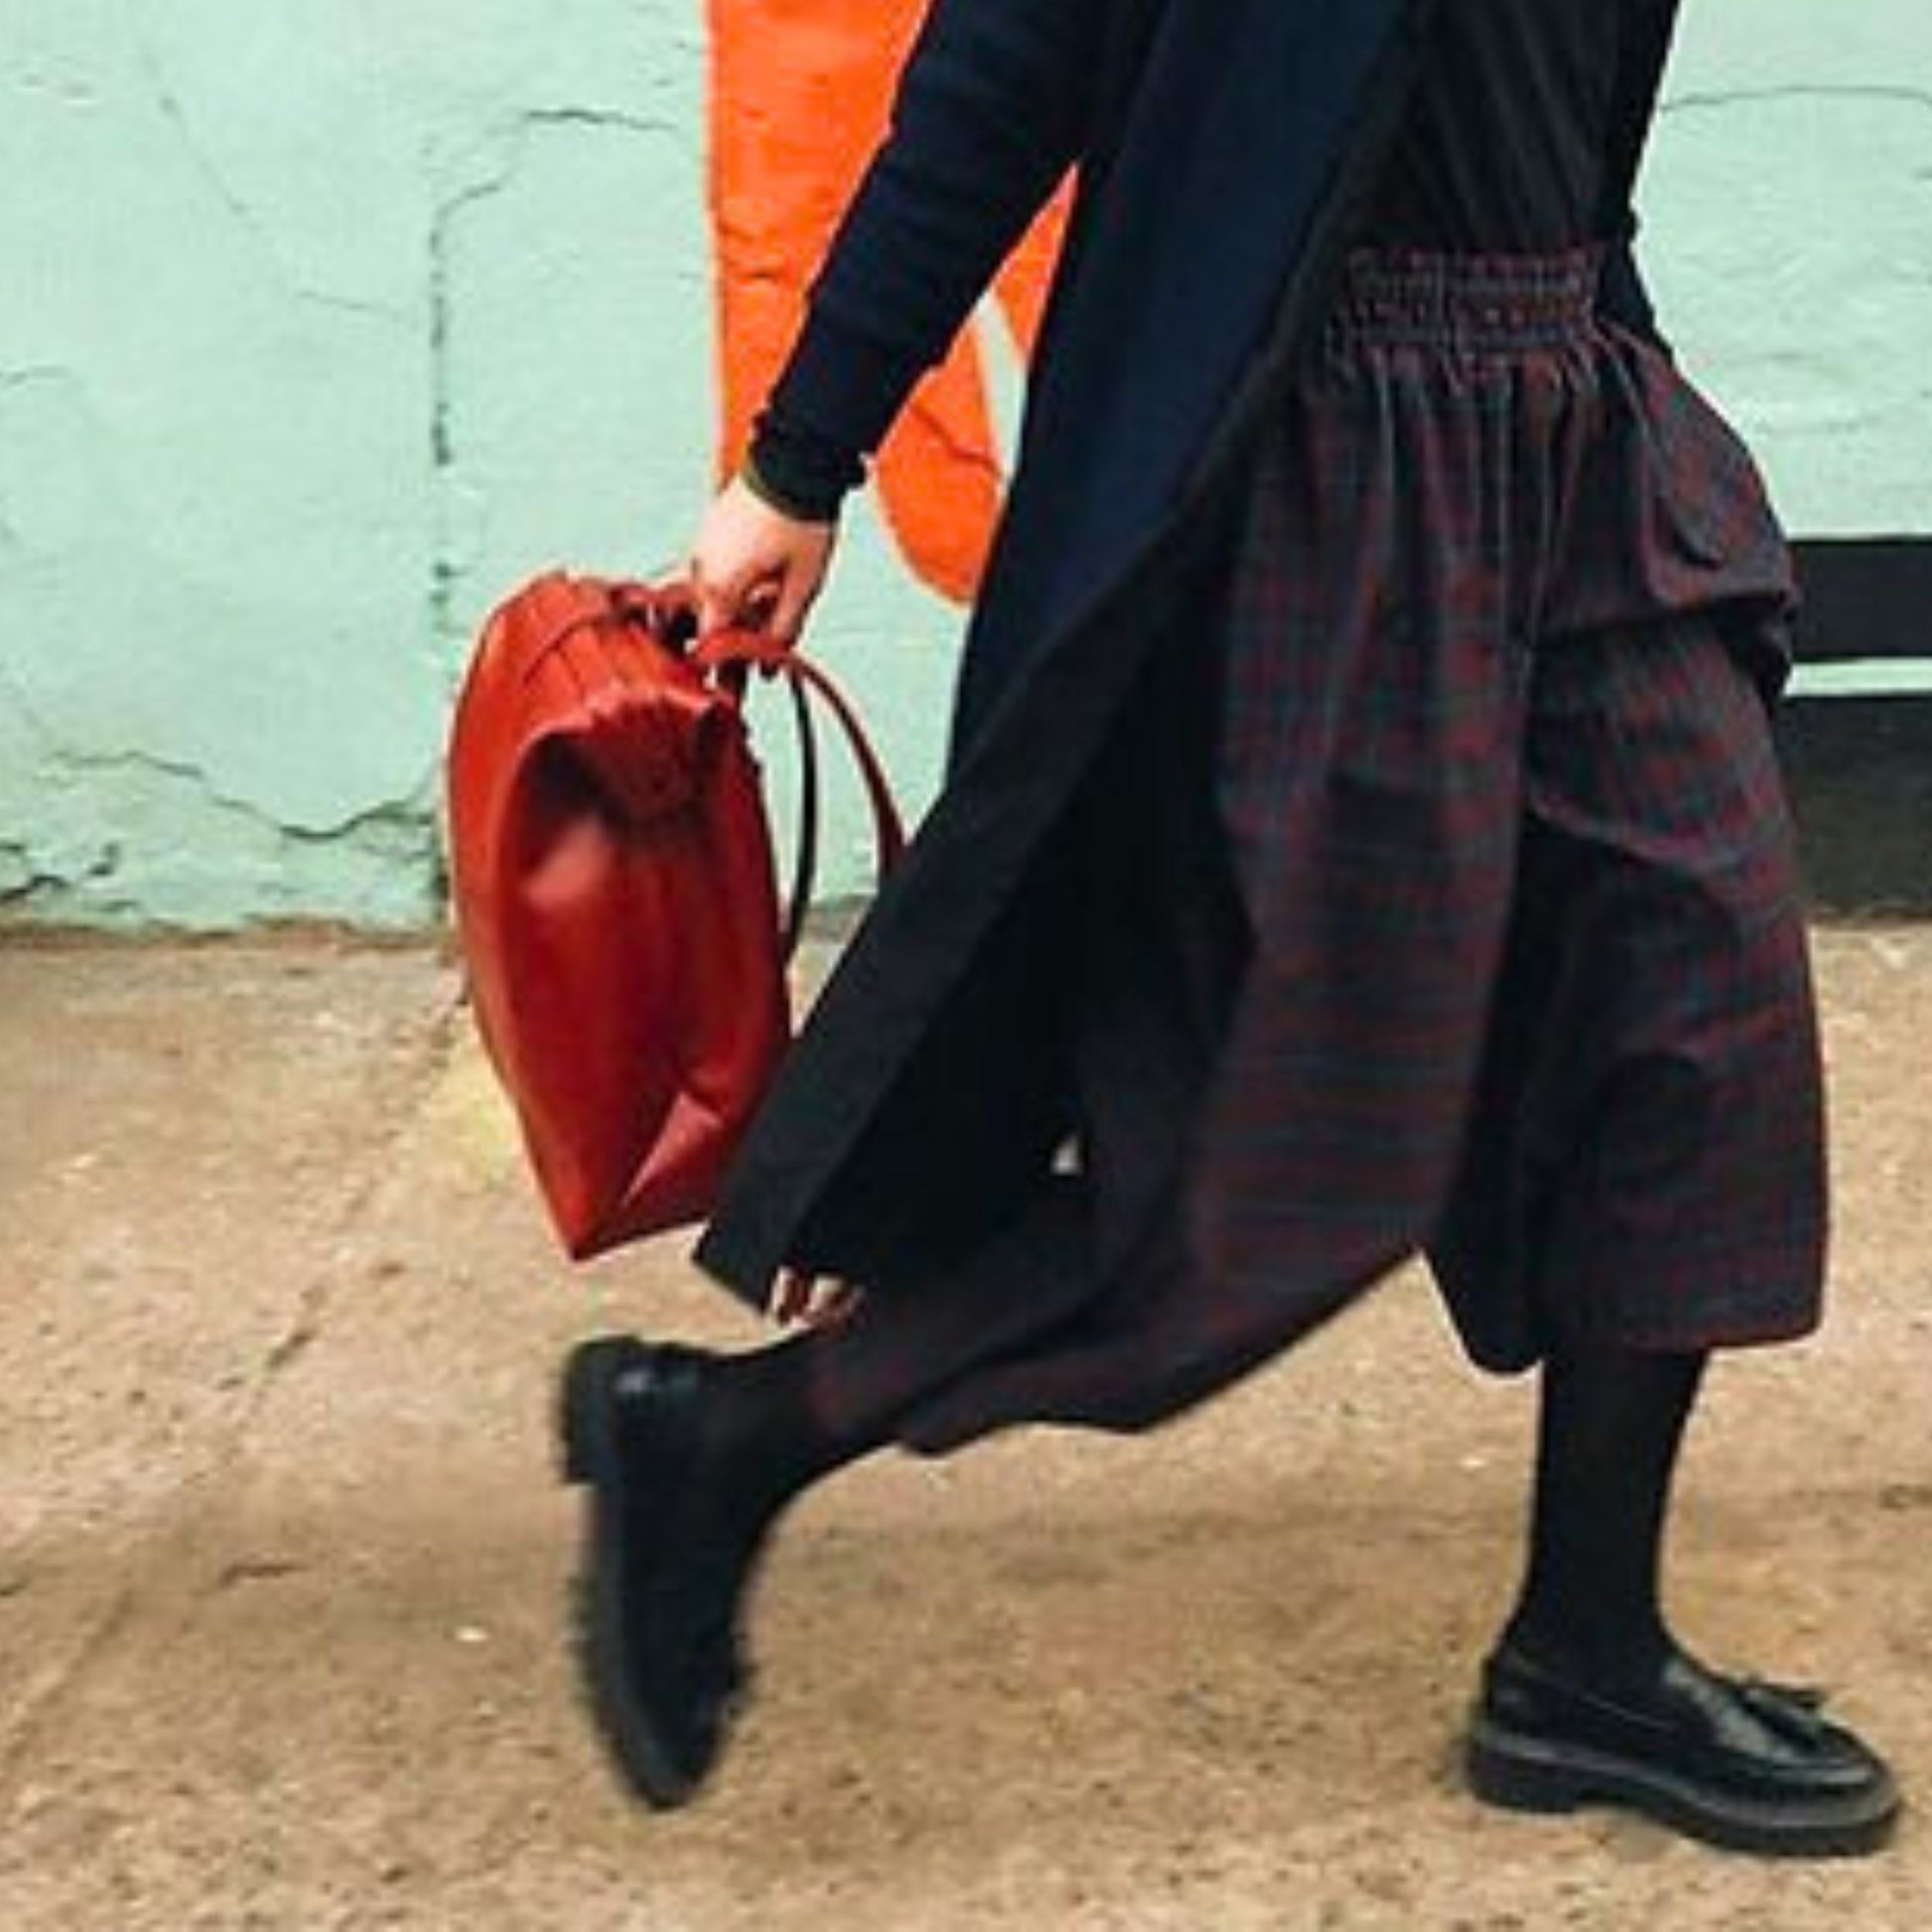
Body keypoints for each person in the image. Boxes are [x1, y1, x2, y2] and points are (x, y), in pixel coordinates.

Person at [558, 0, 1902, 1856]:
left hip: (1572, 413)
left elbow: (1575, 120)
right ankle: (721, 1437)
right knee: (1280, 1156)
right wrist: (802, 461)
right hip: (1324, 468)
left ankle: (1584, 1650)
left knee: (1696, 1005)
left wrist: (1608, 364)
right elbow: (1001, 68)